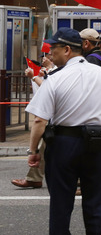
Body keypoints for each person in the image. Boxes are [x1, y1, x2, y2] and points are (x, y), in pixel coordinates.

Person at [25, 28, 101, 235]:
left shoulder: (55, 79)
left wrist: (32, 150)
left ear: (67, 50)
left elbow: (39, 120)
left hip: (63, 144)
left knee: (61, 201)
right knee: (96, 199)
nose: (49, 53)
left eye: (53, 49)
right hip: (96, 142)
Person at [11, 55, 55, 189]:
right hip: (56, 118)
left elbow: (49, 90)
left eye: (52, 53)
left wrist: (34, 77)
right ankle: (34, 178)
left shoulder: (62, 71)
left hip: (58, 118)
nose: (46, 57)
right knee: (44, 145)